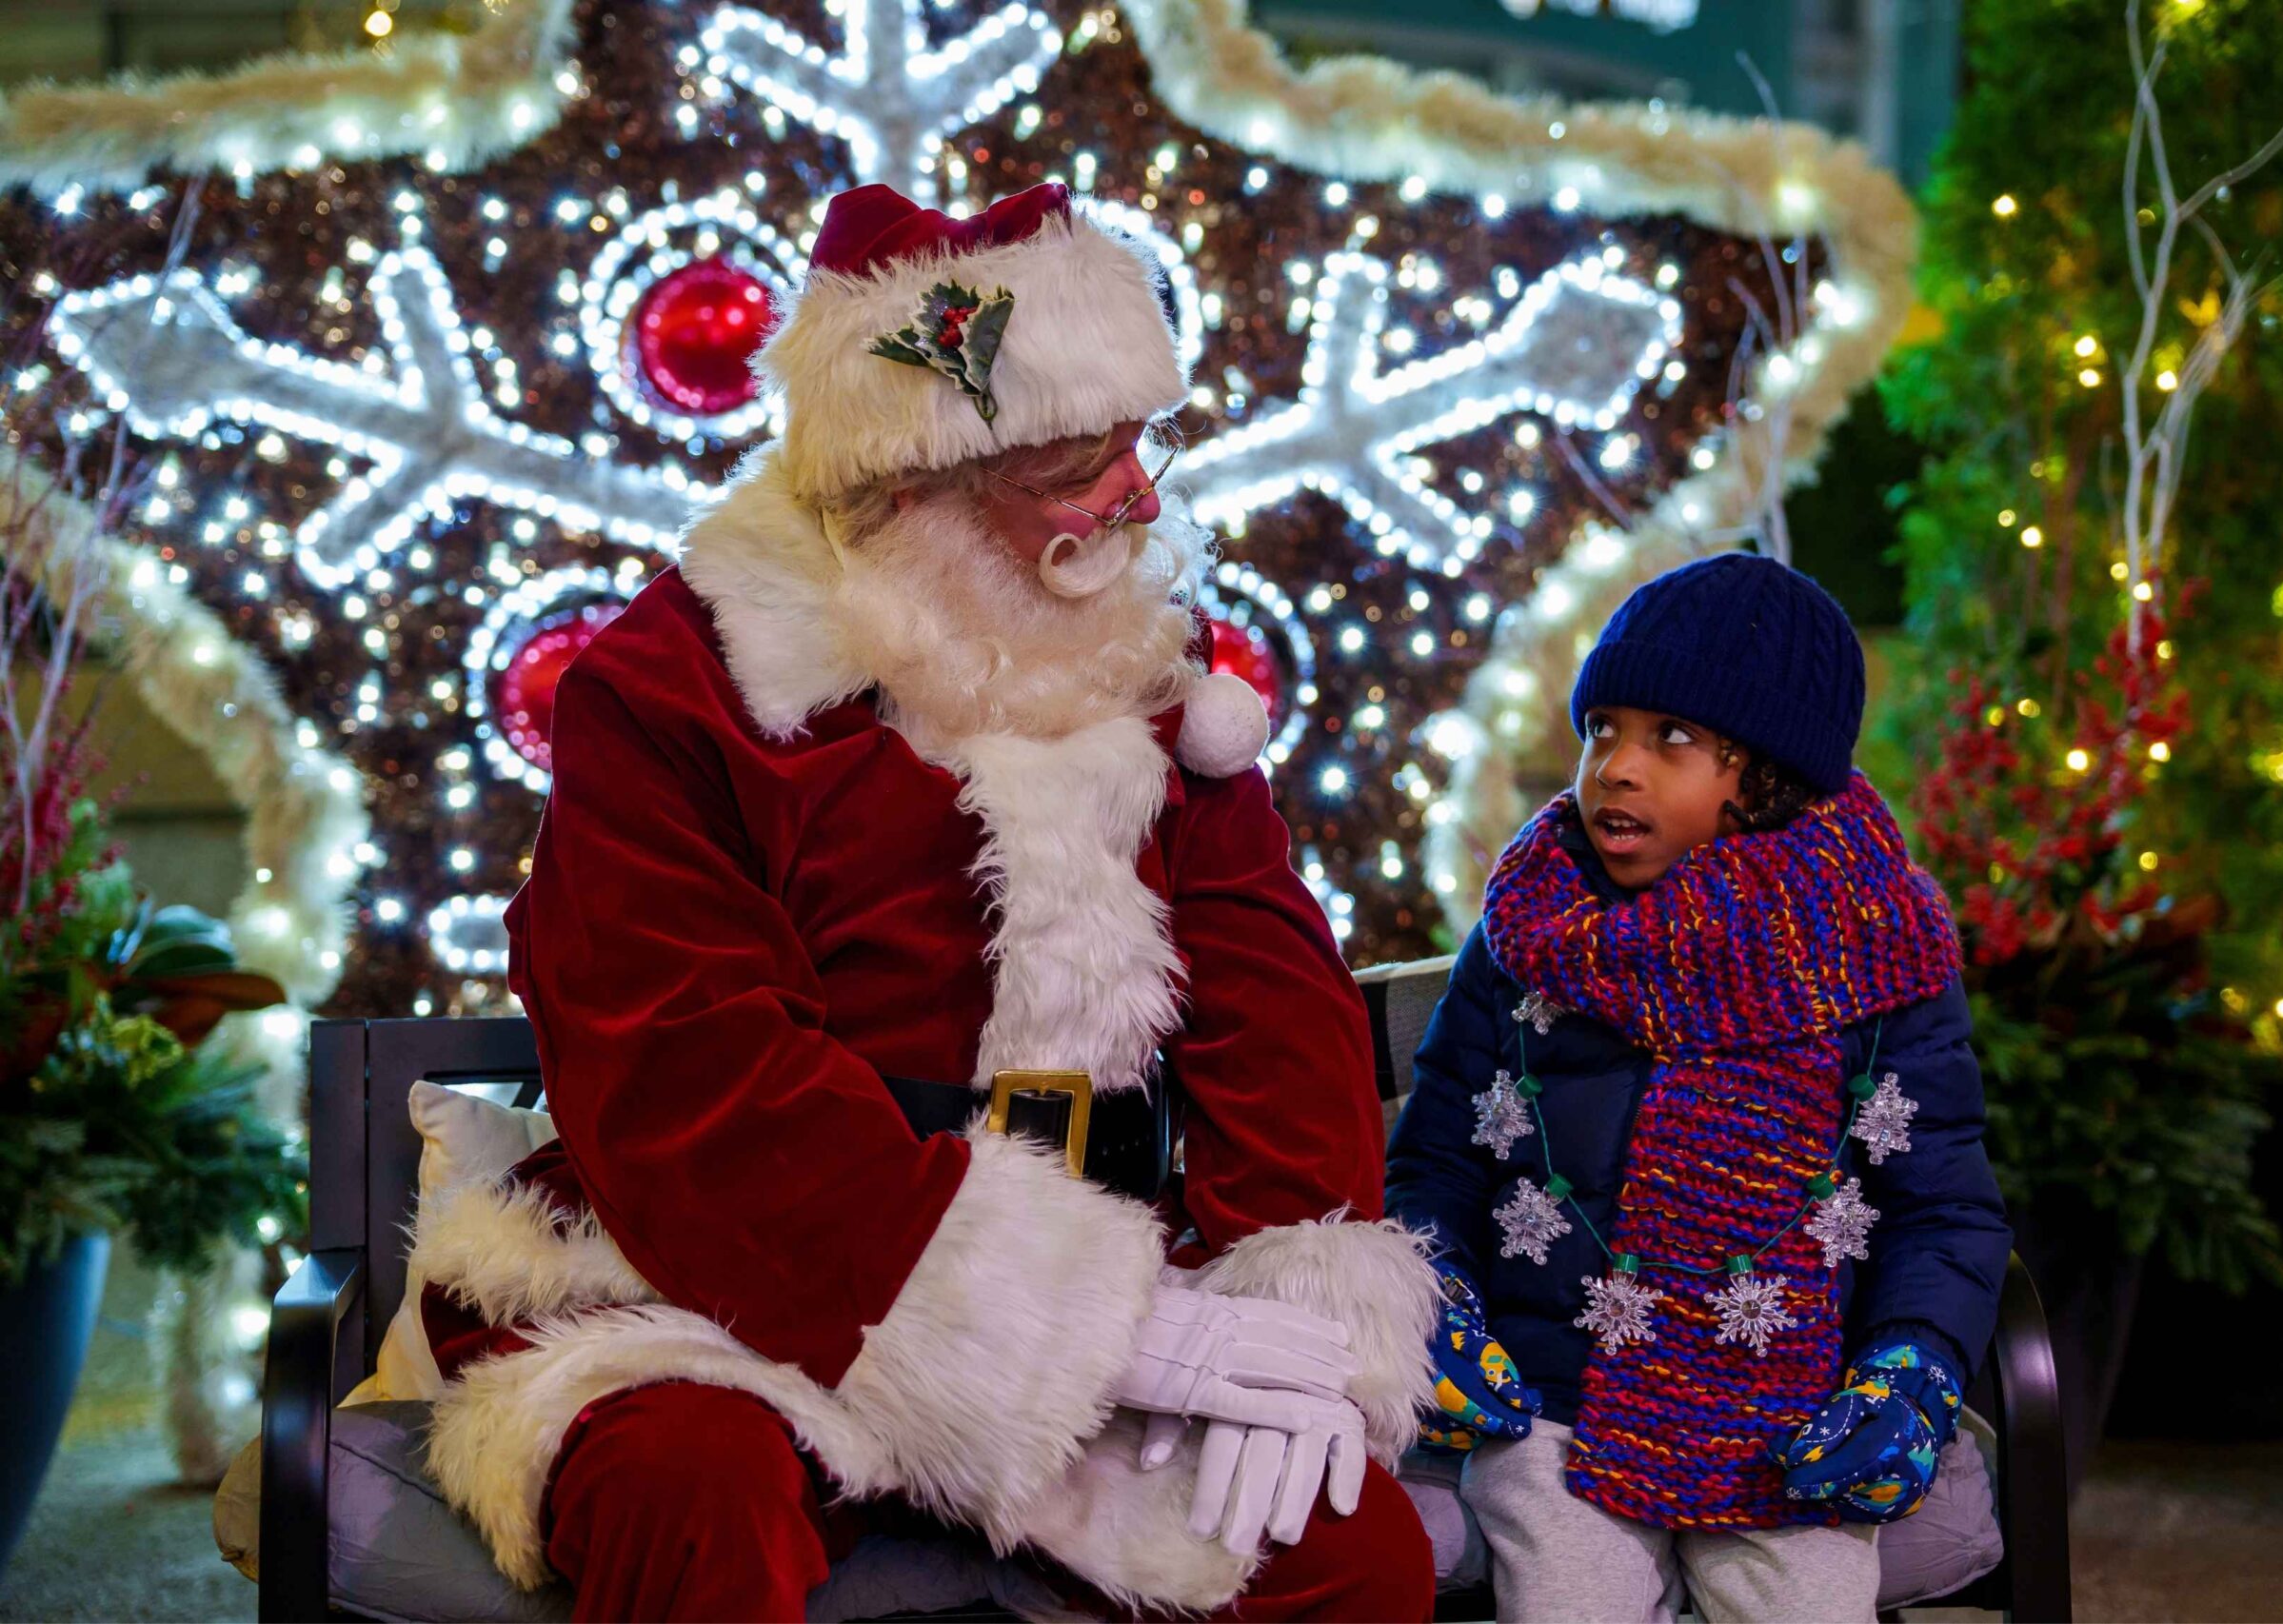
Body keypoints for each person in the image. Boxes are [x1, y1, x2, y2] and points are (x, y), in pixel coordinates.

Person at [402, 180, 1440, 1621]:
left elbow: (1274, 996)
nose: (1134, 499)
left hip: (1120, 1287)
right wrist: (1064, 1326)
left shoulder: (1142, 656)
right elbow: (690, 1076)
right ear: (914, 489)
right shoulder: (671, 689)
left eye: (1139, 446)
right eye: (1076, 466)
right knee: (687, 1495)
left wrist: (1287, 1308)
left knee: (1349, 1557)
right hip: (717, 1288)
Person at [1385, 553, 2012, 1623]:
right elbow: (1435, 1155)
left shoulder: (1875, 948)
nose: (1616, 768)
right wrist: (1427, 1290)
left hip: (1791, 1411)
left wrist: (1913, 1360)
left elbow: (1943, 1205)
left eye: (1668, 737)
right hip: (1552, 1404)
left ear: (1762, 774)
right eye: (1601, 729)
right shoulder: (1530, 933)